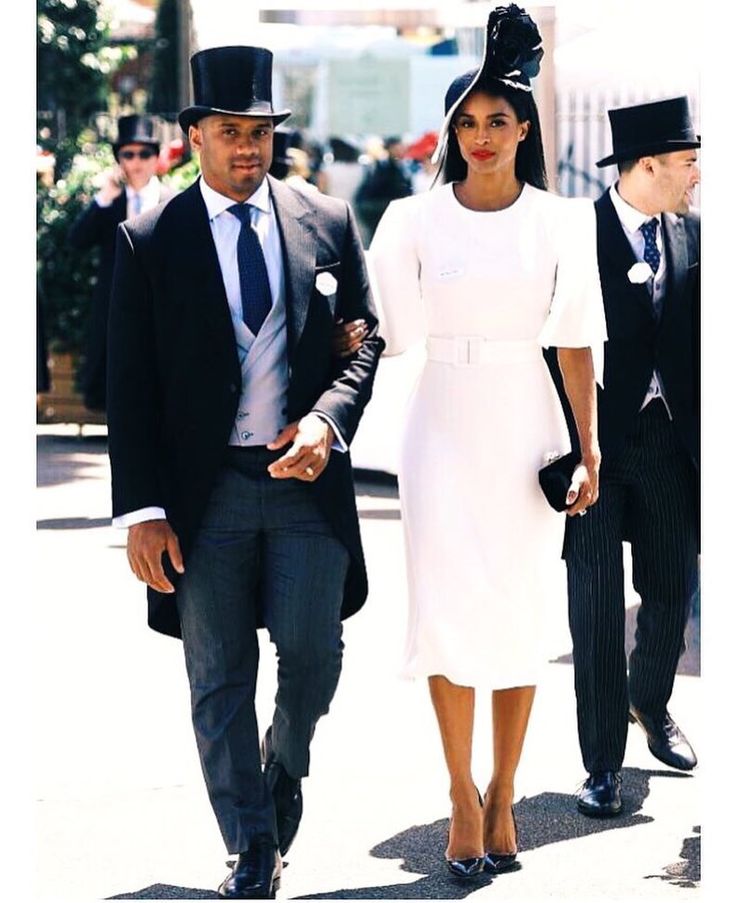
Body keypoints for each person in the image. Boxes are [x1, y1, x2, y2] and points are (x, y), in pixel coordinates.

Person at [106, 45, 383, 899]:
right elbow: (130, 384)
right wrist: (143, 509)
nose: (247, 147)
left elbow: (365, 340)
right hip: (204, 494)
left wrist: (330, 423)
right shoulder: (149, 238)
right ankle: (251, 845)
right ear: (195, 136)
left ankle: (283, 763)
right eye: (229, 131)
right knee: (218, 672)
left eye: (259, 130)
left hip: (304, 482)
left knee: (313, 652)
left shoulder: (326, 221)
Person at [359, 4, 606, 878]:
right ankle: (460, 794)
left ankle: (506, 791)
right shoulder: (411, 220)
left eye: (498, 120)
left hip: (527, 427)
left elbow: (576, 339)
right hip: (442, 429)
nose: (482, 135)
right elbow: (390, 332)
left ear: (525, 126)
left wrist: (590, 446)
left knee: (519, 616)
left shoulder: (563, 222)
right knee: (447, 615)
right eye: (467, 121)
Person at [547, 97, 700, 818]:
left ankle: (653, 702)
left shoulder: (695, 236)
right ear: (648, 166)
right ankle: (602, 761)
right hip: (594, 444)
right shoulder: (576, 234)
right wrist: (571, 442)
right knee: (597, 606)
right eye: (687, 164)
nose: (695, 177)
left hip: (671, 442)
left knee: (671, 588)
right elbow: (548, 339)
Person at [68, 114, 173, 412]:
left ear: (156, 158)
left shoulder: (173, 201)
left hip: (159, 304)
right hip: (115, 304)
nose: (137, 162)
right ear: (119, 160)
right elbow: (76, 241)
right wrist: (102, 198)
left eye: (145, 153)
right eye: (128, 154)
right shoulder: (110, 201)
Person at [354, 135, 413, 241]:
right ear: (389, 149)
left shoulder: (400, 166)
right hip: (383, 210)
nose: (400, 151)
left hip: (386, 209)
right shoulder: (384, 167)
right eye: (396, 148)